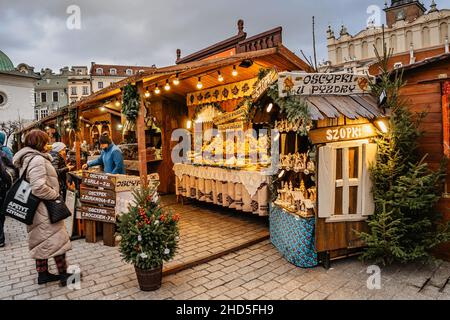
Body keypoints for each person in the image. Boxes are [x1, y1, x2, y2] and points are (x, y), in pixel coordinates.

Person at [13, 130, 73, 286]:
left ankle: (43, 274)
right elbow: (38, 187)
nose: (48, 144)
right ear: (39, 144)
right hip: (44, 208)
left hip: (37, 208)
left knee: (41, 241)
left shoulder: (29, 158)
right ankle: (65, 275)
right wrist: (55, 195)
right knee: (57, 240)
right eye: (46, 141)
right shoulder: (37, 160)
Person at [0, 149, 17, 248]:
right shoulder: (2, 153)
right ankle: (1, 238)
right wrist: (9, 184)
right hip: (1, 188)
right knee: (1, 213)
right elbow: (4, 171)